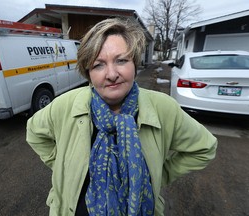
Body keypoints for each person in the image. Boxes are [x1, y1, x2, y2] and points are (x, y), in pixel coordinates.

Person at [26, 17, 217, 216]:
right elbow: (34, 132)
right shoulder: (65, 105)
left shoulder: (164, 108)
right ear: (88, 72)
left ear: (134, 63)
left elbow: (204, 148)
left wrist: (159, 174)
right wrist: (62, 168)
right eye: (99, 64)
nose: (111, 74)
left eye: (121, 60)